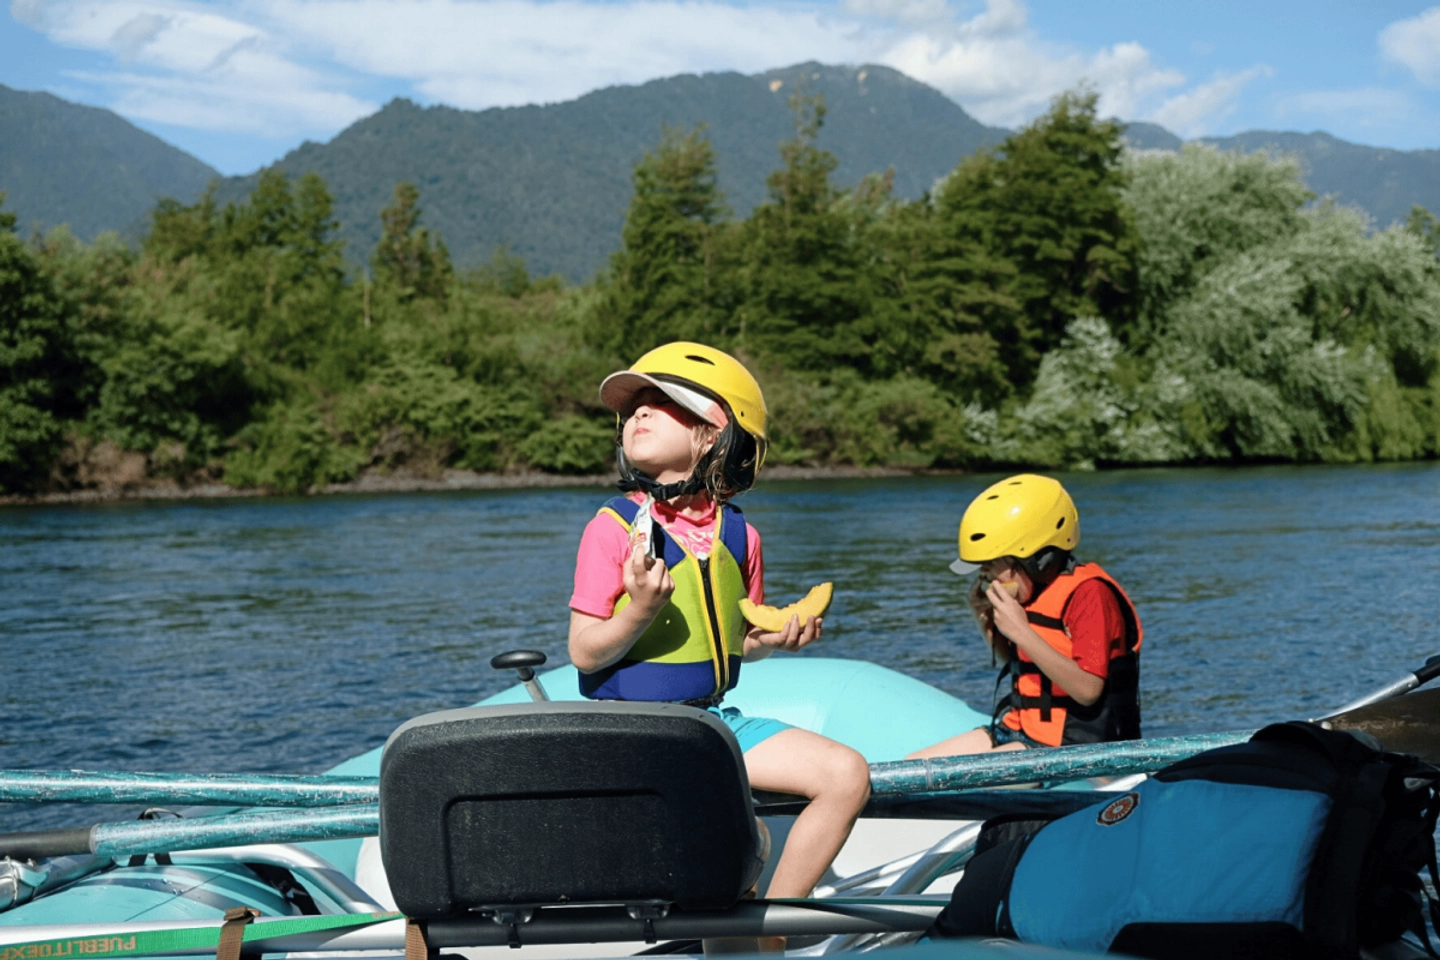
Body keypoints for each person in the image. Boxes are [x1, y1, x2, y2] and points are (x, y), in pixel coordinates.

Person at [568, 341, 871, 905]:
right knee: (739, 842)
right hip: (633, 733)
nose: (639, 412)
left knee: (846, 774)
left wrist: (772, 640)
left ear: (715, 435)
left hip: (712, 724)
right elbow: (585, 653)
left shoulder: (742, 537)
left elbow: (738, 643)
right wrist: (639, 610)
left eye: (663, 401)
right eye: (635, 405)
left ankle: (776, 924)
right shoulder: (610, 530)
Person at [908, 474, 1143, 759]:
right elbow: (1019, 661)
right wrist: (983, 617)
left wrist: (1021, 632)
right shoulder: (1032, 592)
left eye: (991, 564)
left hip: (1070, 746)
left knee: (952, 790)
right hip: (1020, 730)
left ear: (1037, 559)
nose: (984, 574)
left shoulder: (1089, 595)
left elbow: (1088, 690)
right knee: (912, 769)